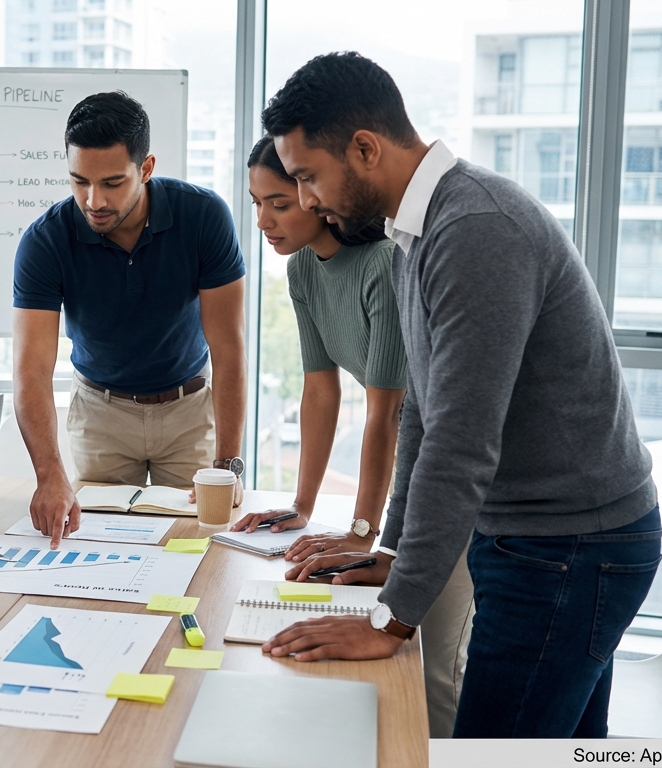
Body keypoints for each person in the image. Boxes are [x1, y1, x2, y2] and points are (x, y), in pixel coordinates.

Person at [258, 52, 660, 739]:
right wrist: (390, 550)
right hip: (544, 542)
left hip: (569, 550)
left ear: (364, 148)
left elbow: (461, 442)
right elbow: (424, 409)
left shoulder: (475, 230)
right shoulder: (419, 230)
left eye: (307, 177)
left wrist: (395, 617)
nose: (305, 201)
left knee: (490, 753)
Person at [234, 135, 475, 739]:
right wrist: (302, 507)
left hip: (452, 493)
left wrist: (366, 532)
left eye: (280, 203)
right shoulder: (301, 273)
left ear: (317, 197)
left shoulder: (381, 265)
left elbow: (389, 410)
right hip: (415, 493)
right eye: (256, 203)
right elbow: (320, 392)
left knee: (434, 670)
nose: (263, 220)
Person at [13, 91, 247, 548]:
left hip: (189, 412)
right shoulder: (45, 241)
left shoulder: (204, 217)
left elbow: (230, 349)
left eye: (113, 183)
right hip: (100, 415)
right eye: (79, 181)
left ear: (146, 168)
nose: (93, 200)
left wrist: (229, 462)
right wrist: (49, 474)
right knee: (95, 549)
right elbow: (31, 370)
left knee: (201, 546)